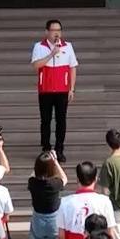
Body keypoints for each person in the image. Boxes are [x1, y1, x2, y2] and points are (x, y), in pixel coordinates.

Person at [32, 19, 80, 159]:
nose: (56, 34)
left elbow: (73, 68)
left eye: (59, 30)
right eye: (53, 31)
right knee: (45, 120)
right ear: (47, 32)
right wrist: (51, 54)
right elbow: (36, 65)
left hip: (62, 90)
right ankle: (46, 148)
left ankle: (59, 149)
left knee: (61, 120)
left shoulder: (68, 46)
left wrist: (71, 88)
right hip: (45, 90)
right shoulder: (39, 46)